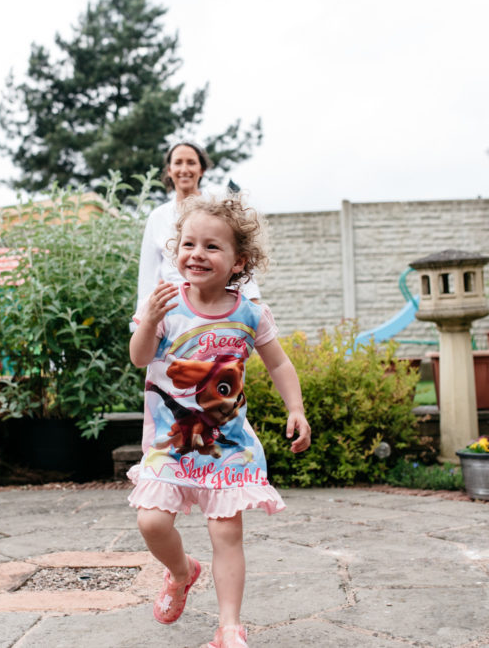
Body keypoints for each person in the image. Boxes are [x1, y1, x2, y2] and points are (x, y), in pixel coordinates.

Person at [128, 194, 311, 648]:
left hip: (227, 445)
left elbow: (279, 364)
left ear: (238, 261)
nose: (197, 254)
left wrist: (296, 409)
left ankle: (229, 626)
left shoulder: (250, 312)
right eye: (188, 244)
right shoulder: (165, 306)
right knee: (151, 523)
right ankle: (182, 572)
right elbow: (139, 358)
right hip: (173, 441)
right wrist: (147, 322)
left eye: (212, 247)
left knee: (226, 531)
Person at [137, 142, 261, 309]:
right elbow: (148, 276)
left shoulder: (220, 213)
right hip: (173, 310)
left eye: (191, 162)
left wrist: (253, 304)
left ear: (202, 170)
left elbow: (239, 254)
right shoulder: (157, 217)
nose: (184, 169)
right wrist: (143, 321)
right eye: (178, 163)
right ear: (169, 170)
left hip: (218, 306)